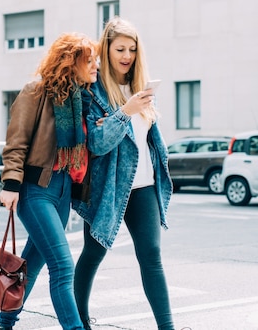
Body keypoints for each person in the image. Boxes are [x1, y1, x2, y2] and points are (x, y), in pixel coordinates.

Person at [73, 17, 176, 330]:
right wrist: (125, 112)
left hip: (144, 187)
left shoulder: (139, 87)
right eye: (120, 48)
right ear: (106, 49)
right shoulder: (94, 93)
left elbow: (147, 141)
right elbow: (98, 144)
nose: (127, 55)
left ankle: (167, 327)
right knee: (93, 254)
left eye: (132, 49)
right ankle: (79, 322)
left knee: (152, 255)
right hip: (110, 187)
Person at [0, 33, 99, 330]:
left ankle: (3, 324)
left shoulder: (85, 100)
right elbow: (16, 143)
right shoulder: (35, 93)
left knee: (29, 269)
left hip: (63, 193)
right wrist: (11, 184)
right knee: (63, 266)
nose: (95, 66)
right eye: (89, 60)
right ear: (70, 62)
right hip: (35, 191)